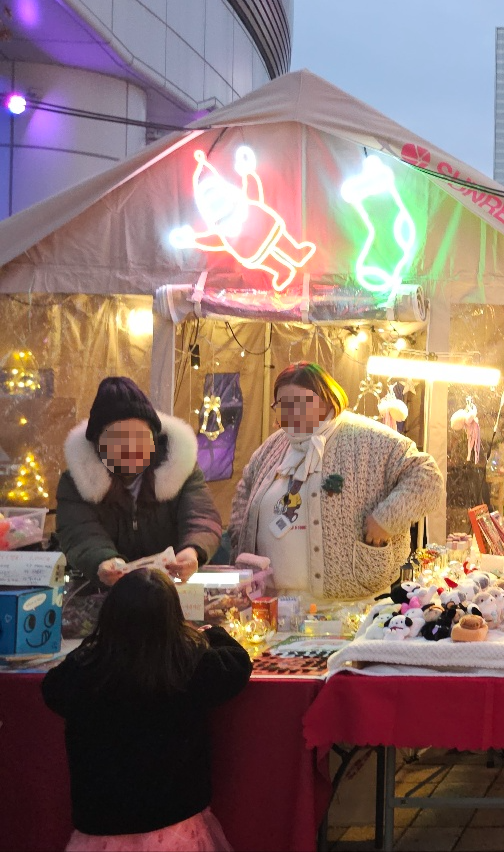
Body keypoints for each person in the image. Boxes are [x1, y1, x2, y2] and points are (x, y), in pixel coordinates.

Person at [42, 568, 252, 851]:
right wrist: (213, 631)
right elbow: (238, 664)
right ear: (173, 617)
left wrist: (91, 648)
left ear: (110, 615)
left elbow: (52, 688)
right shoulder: (188, 666)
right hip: (174, 821)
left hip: (102, 824)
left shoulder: (86, 669)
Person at [229, 363, 443, 601]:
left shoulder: (366, 438)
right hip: (273, 604)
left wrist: (385, 520)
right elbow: (243, 495)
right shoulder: (272, 447)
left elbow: (427, 476)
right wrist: (242, 540)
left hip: (349, 607)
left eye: (302, 402)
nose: (292, 412)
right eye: (283, 405)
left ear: (327, 400)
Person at [57, 377, 221, 586]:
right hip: (105, 594)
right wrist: (103, 561)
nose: (131, 448)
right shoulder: (76, 483)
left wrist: (192, 552)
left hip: (172, 589)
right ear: (98, 444)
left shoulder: (181, 470)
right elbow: (80, 532)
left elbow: (201, 517)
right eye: (118, 439)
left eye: (140, 438)